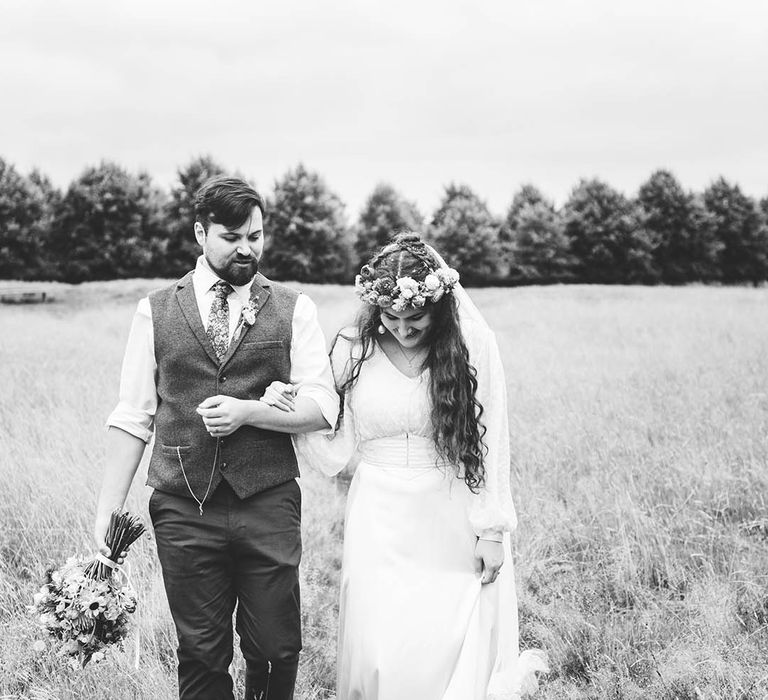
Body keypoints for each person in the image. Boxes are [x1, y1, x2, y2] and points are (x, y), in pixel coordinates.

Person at [266, 232, 547, 699]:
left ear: (439, 305)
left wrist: (492, 530)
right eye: (391, 318)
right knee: (381, 641)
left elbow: (491, 438)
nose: (403, 329)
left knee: (446, 635)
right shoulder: (353, 348)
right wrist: (288, 408)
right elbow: (331, 435)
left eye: (415, 317)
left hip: (451, 509)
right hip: (378, 512)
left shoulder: (472, 343)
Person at [93, 176, 339, 700]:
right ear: (201, 233)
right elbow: (134, 415)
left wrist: (249, 412)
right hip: (183, 508)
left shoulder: (296, 308)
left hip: (269, 501)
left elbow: (324, 407)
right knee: (202, 652)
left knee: (276, 649)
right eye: (232, 237)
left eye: (255, 235)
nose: (247, 248)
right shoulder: (154, 311)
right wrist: (107, 509)